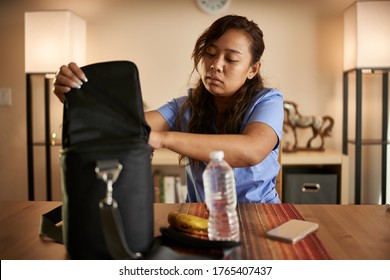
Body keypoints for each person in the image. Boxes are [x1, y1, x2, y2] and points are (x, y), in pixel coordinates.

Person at [53, 15, 284, 203]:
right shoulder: (185, 106)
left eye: (231, 59)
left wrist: (163, 138)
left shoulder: (267, 102)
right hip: (200, 220)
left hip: (262, 216)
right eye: (210, 54)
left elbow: (251, 150)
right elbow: (121, 126)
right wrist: (76, 97)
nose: (216, 65)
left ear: (253, 69)